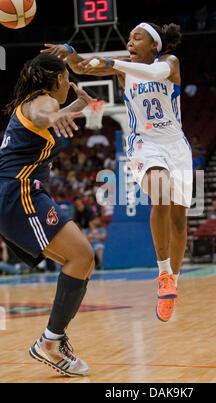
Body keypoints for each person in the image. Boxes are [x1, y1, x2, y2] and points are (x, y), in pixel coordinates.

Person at [42, 22, 193, 323]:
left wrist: (110, 62)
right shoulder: (124, 70)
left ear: (155, 45)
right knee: (159, 194)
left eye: (138, 38)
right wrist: (71, 53)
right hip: (144, 143)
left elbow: (152, 74)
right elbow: (83, 67)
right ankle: (163, 272)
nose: (130, 41)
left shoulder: (169, 63)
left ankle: (172, 280)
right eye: (129, 38)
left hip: (176, 146)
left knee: (179, 219)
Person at [0, 53, 96, 376]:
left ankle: (54, 339)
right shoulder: (41, 103)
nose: (70, 82)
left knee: (82, 259)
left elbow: (45, 117)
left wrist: (74, 109)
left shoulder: (35, 104)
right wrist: (56, 114)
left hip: (20, 194)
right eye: (67, 77)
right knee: (82, 256)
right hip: (20, 193)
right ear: (58, 80)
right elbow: (43, 114)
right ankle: (51, 342)